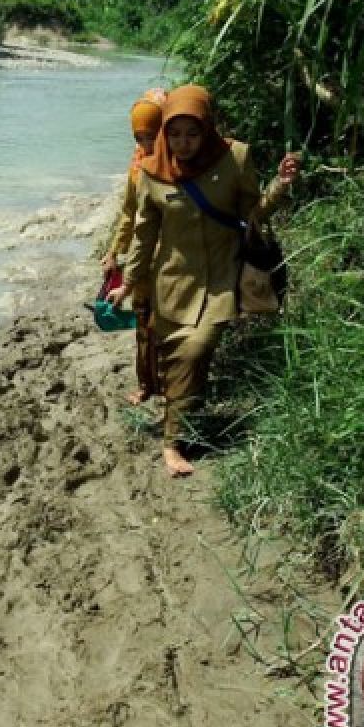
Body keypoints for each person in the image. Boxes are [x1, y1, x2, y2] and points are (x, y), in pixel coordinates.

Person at [106, 84, 301, 477]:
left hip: (217, 281)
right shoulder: (151, 171)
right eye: (174, 134)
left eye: (191, 133)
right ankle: (177, 415)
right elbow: (144, 235)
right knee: (173, 360)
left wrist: (279, 186)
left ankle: (172, 444)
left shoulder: (235, 158)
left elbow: (253, 214)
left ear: (207, 128)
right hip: (170, 283)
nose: (182, 143)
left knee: (196, 351)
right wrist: (128, 283)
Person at [100, 88, 166, 404]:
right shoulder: (137, 164)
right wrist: (114, 251)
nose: (146, 144)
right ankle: (147, 384)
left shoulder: (182, 164)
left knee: (169, 322)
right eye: (139, 137)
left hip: (174, 258)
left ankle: (171, 384)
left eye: (152, 135)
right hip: (143, 256)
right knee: (142, 320)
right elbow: (129, 211)